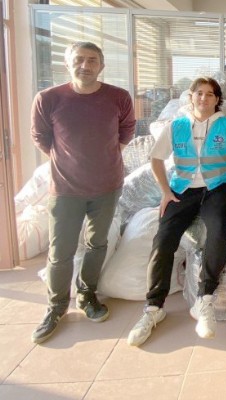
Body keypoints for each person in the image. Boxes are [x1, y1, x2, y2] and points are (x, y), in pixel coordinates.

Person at [127, 77, 226, 346]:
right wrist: (166, 191)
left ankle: (205, 299)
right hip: (182, 189)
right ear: (191, 97)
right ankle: (153, 308)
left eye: (210, 94)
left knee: (217, 232)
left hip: (218, 188)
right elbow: (155, 158)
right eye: (199, 93)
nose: (204, 98)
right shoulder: (175, 126)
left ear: (217, 99)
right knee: (163, 239)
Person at [29, 41, 135, 344]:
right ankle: (56, 306)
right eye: (79, 59)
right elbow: (40, 136)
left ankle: (87, 296)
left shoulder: (117, 97)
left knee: (96, 244)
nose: (85, 65)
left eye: (92, 60)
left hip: (107, 186)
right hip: (65, 189)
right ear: (68, 63)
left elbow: (127, 128)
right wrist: (69, 160)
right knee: (59, 252)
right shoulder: (49, 98)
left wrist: (110, 153)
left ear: (101, 65)